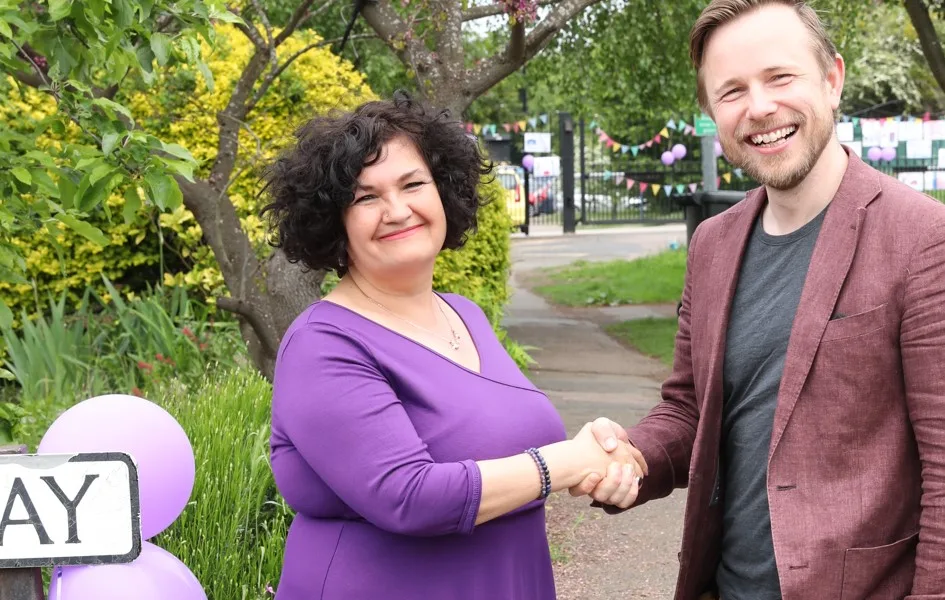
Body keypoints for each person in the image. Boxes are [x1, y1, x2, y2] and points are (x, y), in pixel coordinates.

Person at [575, 1, 945, 599]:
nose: (760, 107)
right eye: (732, 91)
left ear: (832, 79)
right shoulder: (713, 243)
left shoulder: (923, 237)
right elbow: (691, 409)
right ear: (712, 113)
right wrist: (631, 458)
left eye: (780, 77)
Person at [260, 92, 643, 600]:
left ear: (443, 191)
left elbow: (507, 446)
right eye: (365, 197)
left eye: (413, 184)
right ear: (334, 222)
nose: (397, 210)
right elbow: (408, 496)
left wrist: (604, 457)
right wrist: (568, 463)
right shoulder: (323, 345)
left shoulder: (464, 313)